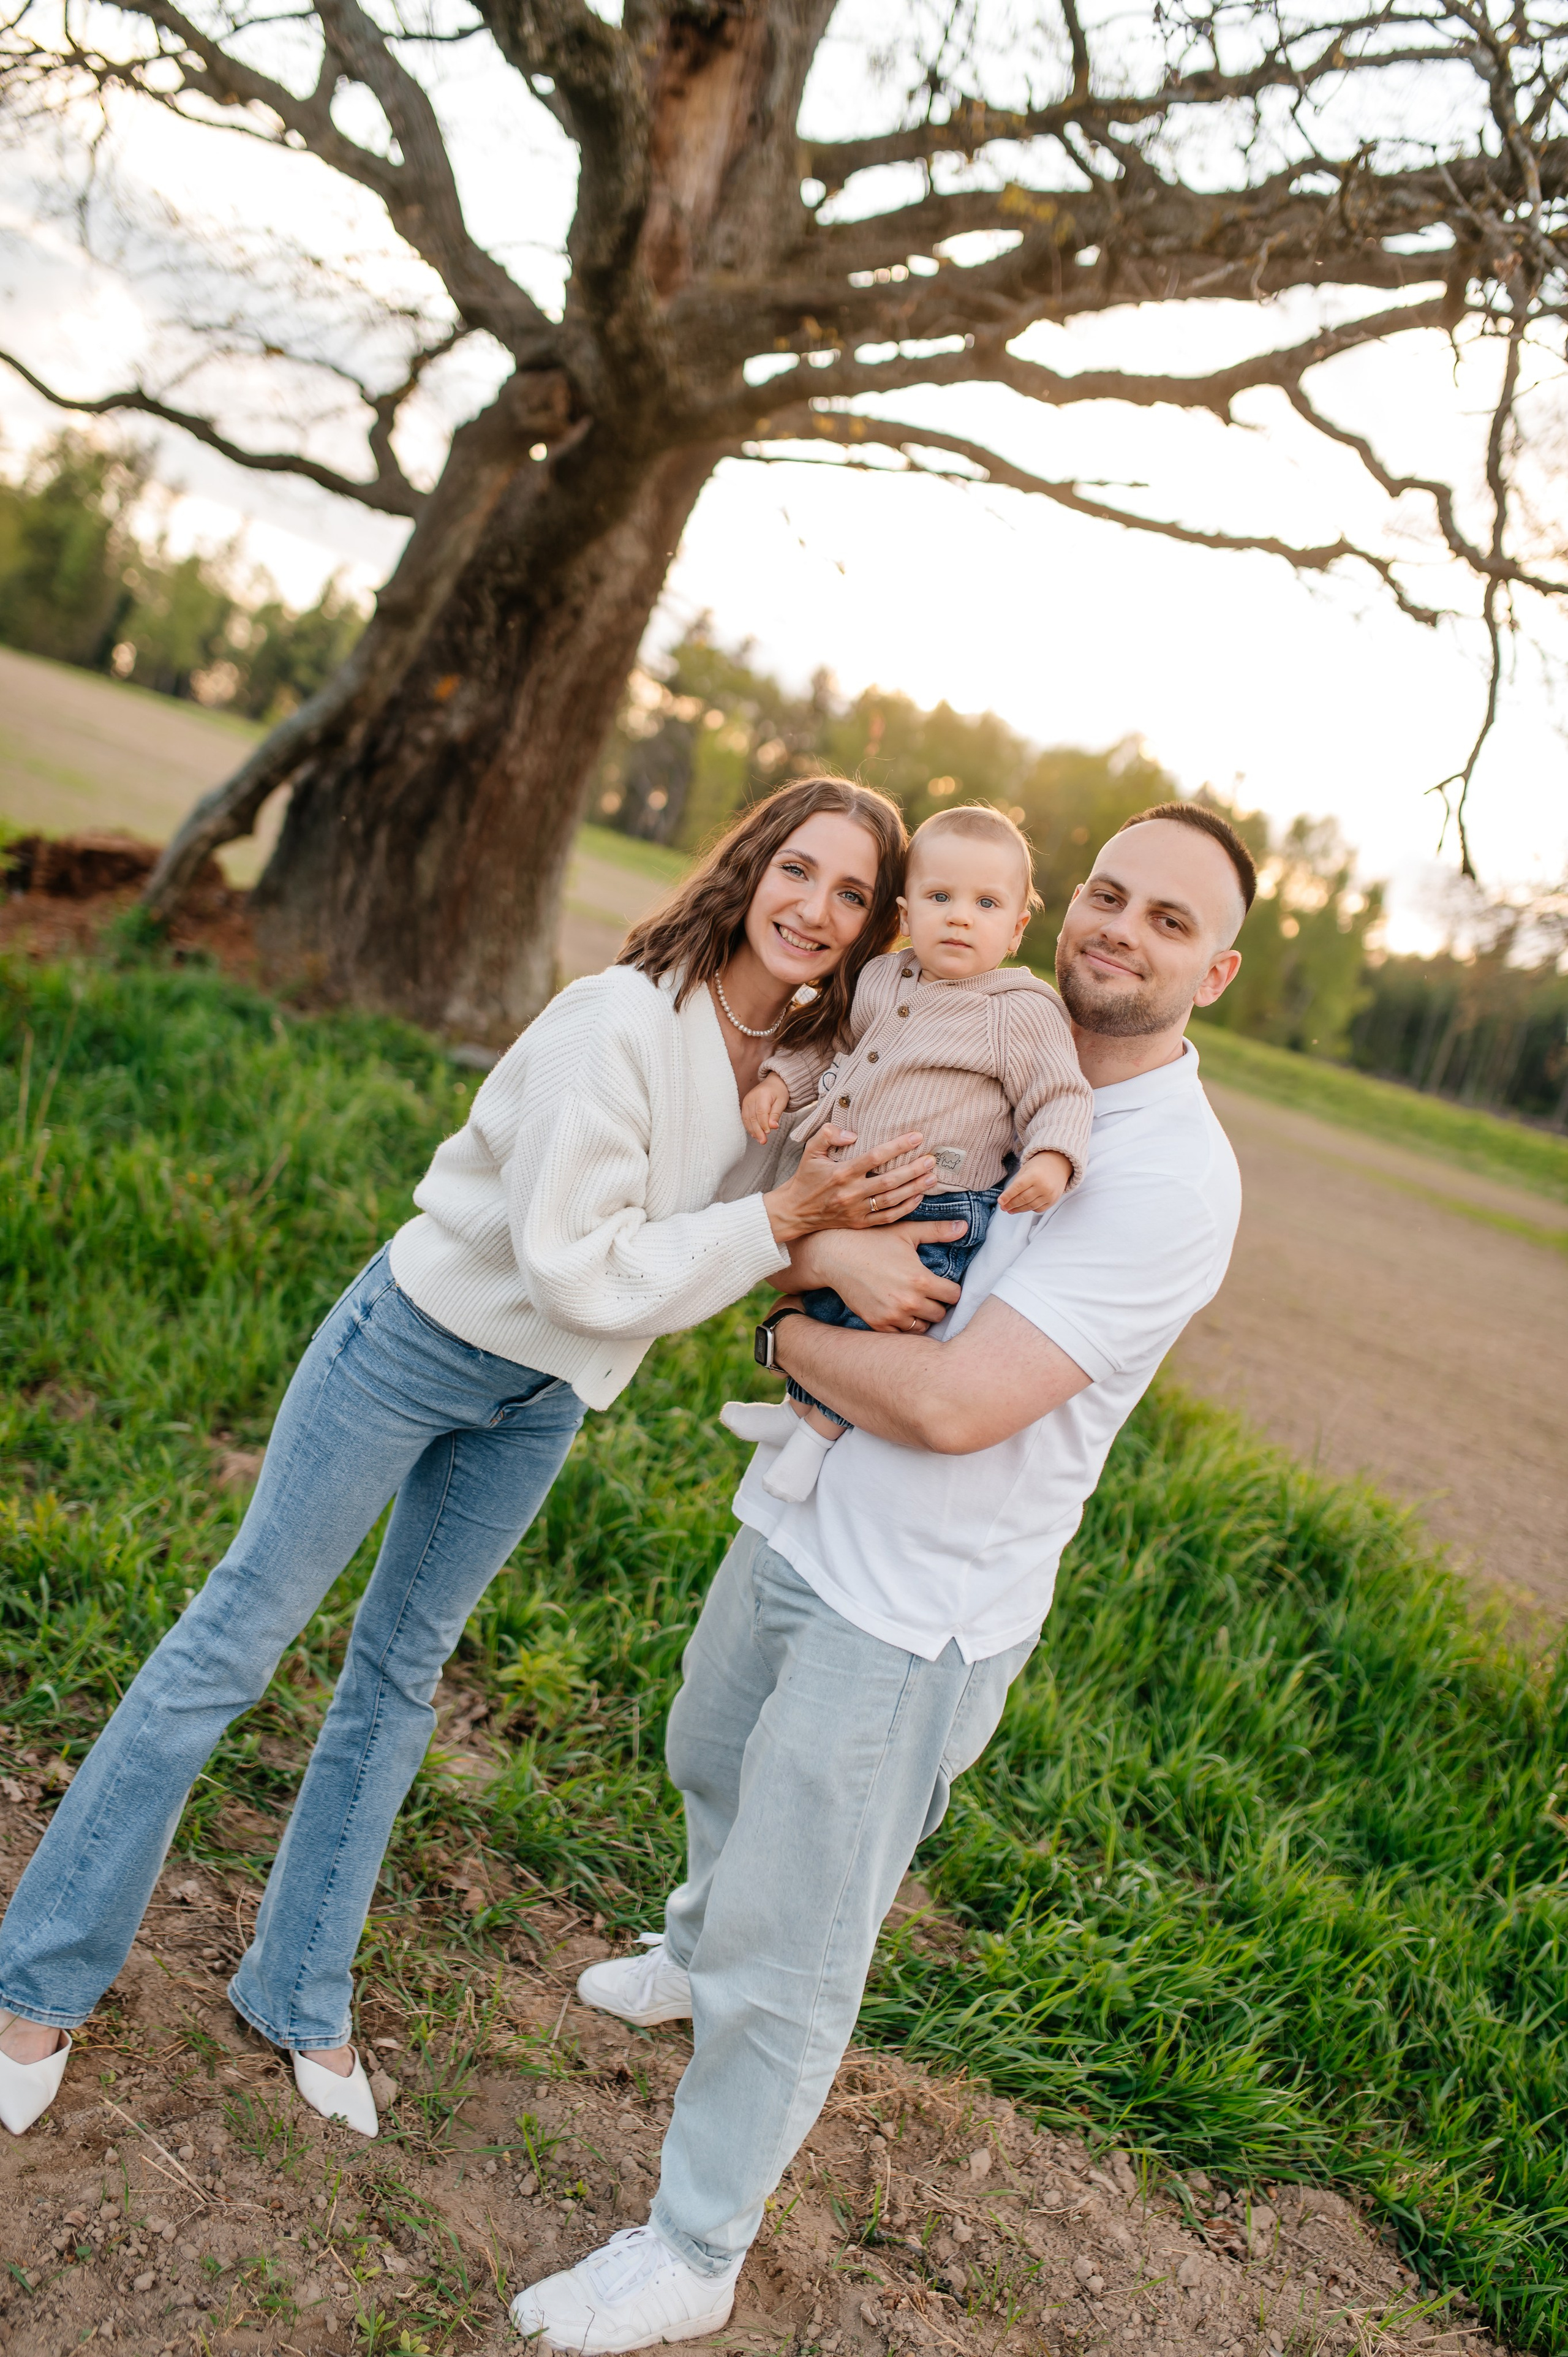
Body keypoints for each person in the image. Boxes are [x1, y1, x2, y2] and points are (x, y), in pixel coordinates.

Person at [0, 777, 939, 2143]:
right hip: (415, 1342)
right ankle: (39, 1982)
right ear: (747, 865)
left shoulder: (798, 1064)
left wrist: (826, 1233)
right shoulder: (617, 1022)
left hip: (539, 1397)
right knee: (234, 1643)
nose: (816, 908)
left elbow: (724, 1246)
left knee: (398, 1677)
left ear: (873, 926)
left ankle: (297, 1989)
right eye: (800, 869)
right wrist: (790, 1219)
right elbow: (580, 1266)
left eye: (853, 893)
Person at [508, 800, 1253, 2354]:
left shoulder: (1168, 1175)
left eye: (1166, 920)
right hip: (799, 1506)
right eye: (1108, 894)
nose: (1120, 927)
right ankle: (691, 1953)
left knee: (801, 1929)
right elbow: (796, 1211)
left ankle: (692, 2245)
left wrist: (779, 1332)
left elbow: (958, 1400)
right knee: (707, 1751)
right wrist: (799, 1267)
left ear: (1218, 971)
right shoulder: (968, 1028)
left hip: (916, 1601)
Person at [719, 803, 1092, 1501]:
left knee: (872, 1324)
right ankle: (795, 1410)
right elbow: (832, 1047)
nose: (959, 917)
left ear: (1015, 928)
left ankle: (815, 1436)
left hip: (938, 1202)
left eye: (985, 903)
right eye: (940, 897)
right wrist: (778, 1080)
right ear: (904, 912)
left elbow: (1060, 1095)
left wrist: (1051, 1160)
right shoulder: (881, 980)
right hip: (851, 1187)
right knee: (827, 1297)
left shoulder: (1018, 1008)